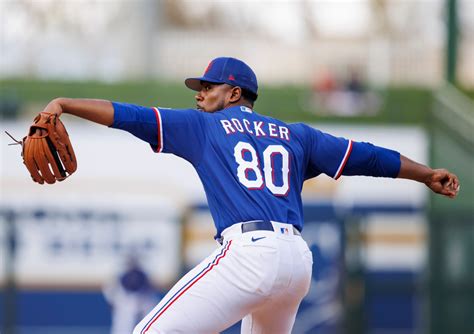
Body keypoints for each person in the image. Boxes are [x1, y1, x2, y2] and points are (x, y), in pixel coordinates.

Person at [38, 57, 459, 333]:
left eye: (209, 87)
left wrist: (65, 104)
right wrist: (425, 174)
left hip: (249, 254)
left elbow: (127, 114)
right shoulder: (297, 135)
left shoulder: (203, 126)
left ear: (234, 93)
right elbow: (367, 157)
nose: (199, 94)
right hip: (297, 262)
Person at [103, 255, 157, 334]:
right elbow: (109, 290)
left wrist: (142, 302)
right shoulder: (119, 275)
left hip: (142, 302)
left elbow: (150, 292)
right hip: (125, 303)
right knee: (123, 325)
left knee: (150, 317)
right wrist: (114, 302)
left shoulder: (142, 275)